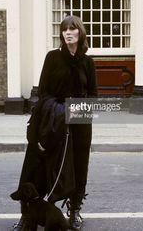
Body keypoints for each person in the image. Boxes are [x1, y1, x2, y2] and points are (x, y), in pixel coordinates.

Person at [11, 15, 97, 231]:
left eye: (72, 29)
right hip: (51, 118)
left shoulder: (87, 62)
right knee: (37, 164)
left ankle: (75, 209)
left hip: (79, 120)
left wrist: (75, 111)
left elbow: (93, 96)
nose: (68, 32)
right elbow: (43, 91)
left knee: (78, 166)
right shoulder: (52, 58)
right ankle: (28, 214)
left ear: (80, 33)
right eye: (64, 29)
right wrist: (58, 111)